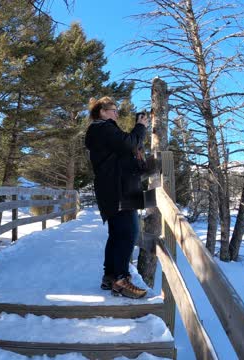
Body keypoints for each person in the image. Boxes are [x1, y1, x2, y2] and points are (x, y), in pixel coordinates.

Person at [84, 96, 149, 299]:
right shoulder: (103, 128)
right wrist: (140, 127)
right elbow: (128, 143)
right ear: (102, 111)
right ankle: (121, 279)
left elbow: (124, 150)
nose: (116, 113)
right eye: (113, 109)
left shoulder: (102, 130)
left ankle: (110, 277)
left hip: (114, 188)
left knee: (117, 234)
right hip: (118, 189)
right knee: (129, 232)